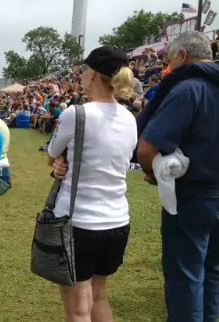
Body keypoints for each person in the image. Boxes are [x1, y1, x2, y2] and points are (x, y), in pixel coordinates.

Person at [49, 46, 137, 322]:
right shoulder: (130, 118)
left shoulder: (76, 113)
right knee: (99, 296)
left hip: (80, 223)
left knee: (77, 310)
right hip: (116, 222)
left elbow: (52, 154)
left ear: (94, 76)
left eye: (84, 71)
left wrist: (58, 165)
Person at [137, 31, 219, 322]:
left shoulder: (188, 89)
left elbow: (146, 149)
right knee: (212, 275)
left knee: (186, 277)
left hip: (193, 197)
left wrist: (155, 173)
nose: (167, 67)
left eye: (169, 60)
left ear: (182, 56)